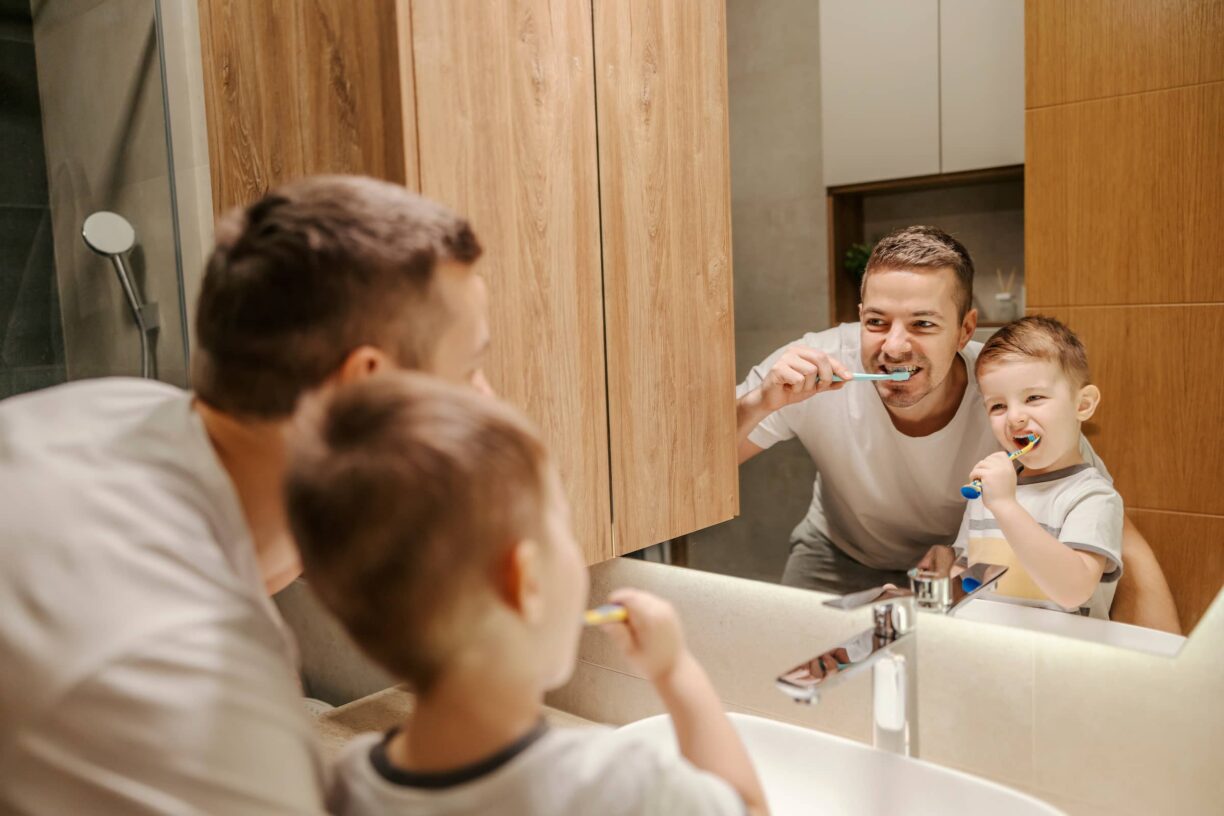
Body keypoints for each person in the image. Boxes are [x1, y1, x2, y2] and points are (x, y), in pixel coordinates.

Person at [0, 176, 490, 814]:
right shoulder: (184, 672)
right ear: (365, 393)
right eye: (470, 368)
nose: (487, 402)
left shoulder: (119, 413)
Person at [285, 372, 769, 816]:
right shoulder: (619, 785)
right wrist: (675, 671)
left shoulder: (347, 783)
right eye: (562, 522)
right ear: (528, 581)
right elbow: (746, 808)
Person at [735, 226, 1169, 613]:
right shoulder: (809, 369)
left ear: (965, 330)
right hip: (837, 551)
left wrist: (1167, 681)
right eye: (876, 321)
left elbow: (1115, 530)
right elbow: (700, 472)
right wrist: (760, 402)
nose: (895, 346)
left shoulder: (1006, 392)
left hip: (958, 571)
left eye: (923, 323)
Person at [947, 316, 1123, 618]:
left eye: (1034, 397)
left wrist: (1005, 505)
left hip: (1063, 658)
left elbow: (1073, 590)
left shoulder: (1092, 497)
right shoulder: (989, 490)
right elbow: (964, 574)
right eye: (998, 406)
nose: (1014, 417)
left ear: (1082, 405)